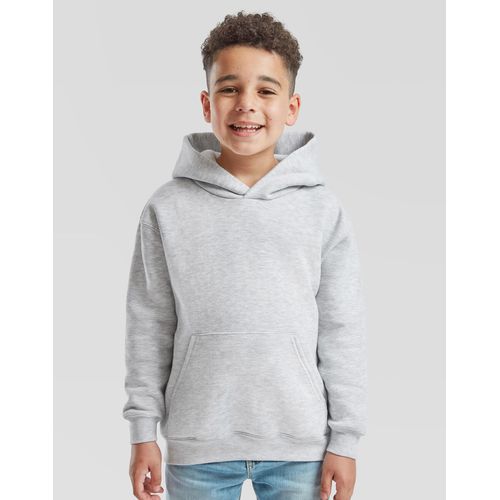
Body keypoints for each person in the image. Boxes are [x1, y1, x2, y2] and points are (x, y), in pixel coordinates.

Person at [122, 10, 368, 500]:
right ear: (206, 103)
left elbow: (342, 328)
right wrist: (142, 431)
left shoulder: (321, 209)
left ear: (292, 107)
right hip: (198, 444)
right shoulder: (166, 208)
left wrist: (346, 440)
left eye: (266, 90)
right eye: (229, 88)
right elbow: (149, 324)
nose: (246, 104)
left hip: (301, 445)